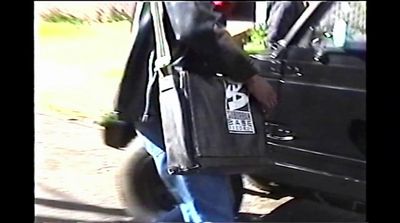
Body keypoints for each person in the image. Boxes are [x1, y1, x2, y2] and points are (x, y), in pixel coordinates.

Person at [115, 2, 277, 222]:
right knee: (211, 209)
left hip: (155, 103)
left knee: (195, 203)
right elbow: (198, 29)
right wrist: (250, 76)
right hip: (174, 109)